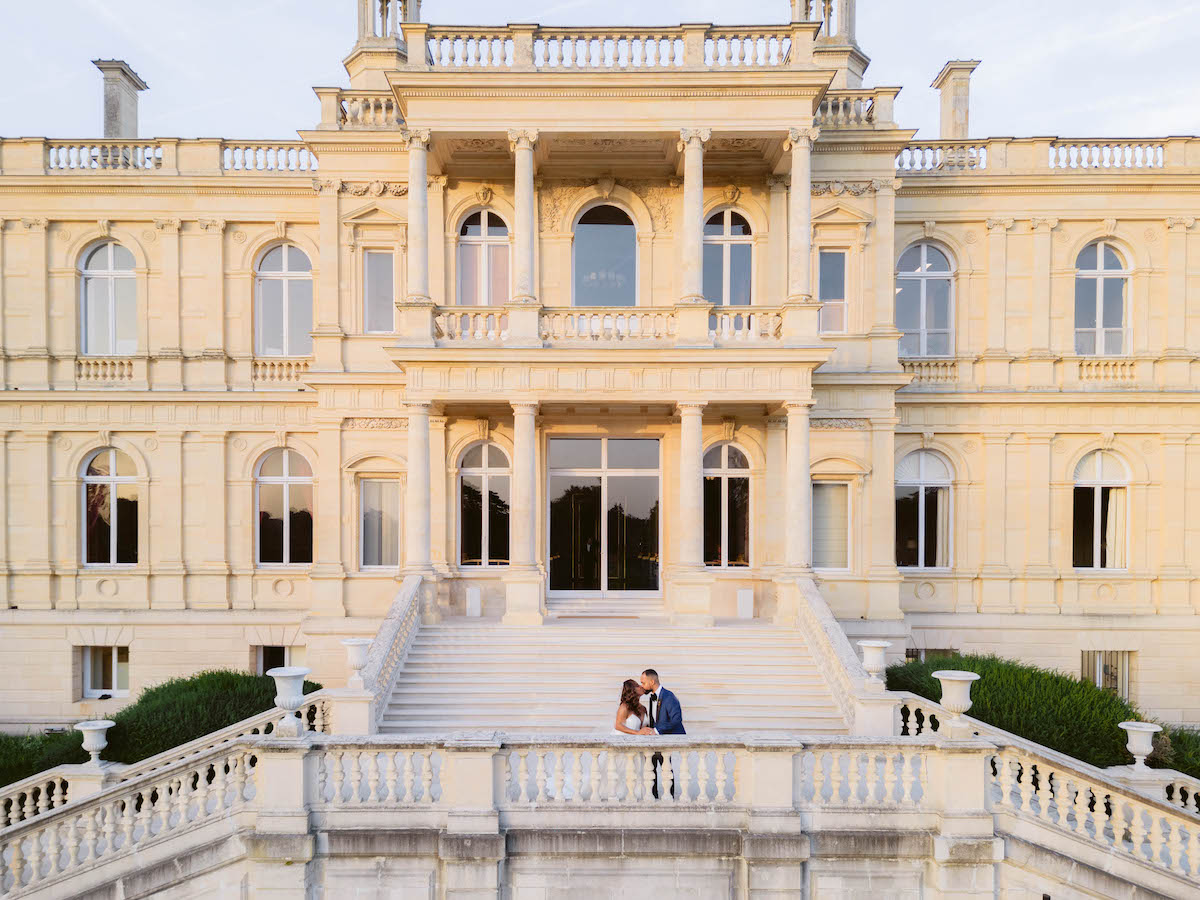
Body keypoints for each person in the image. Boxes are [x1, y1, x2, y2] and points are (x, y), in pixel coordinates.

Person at [639, 668, 684, 799]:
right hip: (652, 741)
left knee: (666, 770)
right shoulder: (652, 697)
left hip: (664, 740)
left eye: (643, 683)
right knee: (650, 770)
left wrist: (657, 731)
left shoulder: (668, 696)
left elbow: (677, 720)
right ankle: (653, 797)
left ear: (652, 681)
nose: (642, 686)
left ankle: (669, 798)